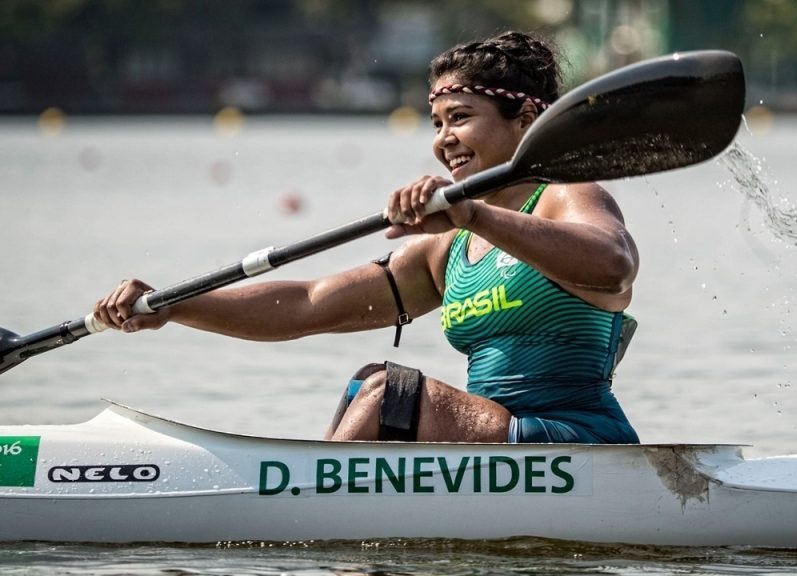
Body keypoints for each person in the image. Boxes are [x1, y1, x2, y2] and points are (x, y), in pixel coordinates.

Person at [93, 31, 640, 445]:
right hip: (501, 451)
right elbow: (307, 306)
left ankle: (303, 522)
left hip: (578, 443)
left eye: (461, 117)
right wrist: (175, 307)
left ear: (523, 117)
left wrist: (474, 215)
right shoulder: (444, 249)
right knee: (366, 385)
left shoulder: (567, 197)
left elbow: (613, 265)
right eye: (436, 123)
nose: (444, 141)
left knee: (388, 393)